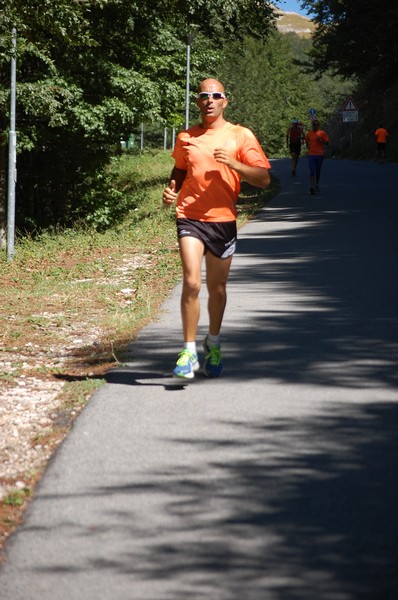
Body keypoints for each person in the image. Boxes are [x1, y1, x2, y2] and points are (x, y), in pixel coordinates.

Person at [162, 78, 271, 379]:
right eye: (203, 95)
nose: (209, 100)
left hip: (223, 220)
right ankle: (188, 351)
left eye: (215, 95)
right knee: (192, 282)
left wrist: (235, 165)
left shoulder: (240, 135)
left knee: (217, 289)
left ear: (225, 101)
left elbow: (263, 179)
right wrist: (172, 190)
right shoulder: (186, 137)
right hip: (190, 216)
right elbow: (181, 169)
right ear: (197, 102)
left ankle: (214, 342)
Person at [305, 119, 329, 195]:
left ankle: (316, 184)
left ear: (319, 125)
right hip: (311, 155)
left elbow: (327, 143)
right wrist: (308, 147)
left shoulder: (322, 133)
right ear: (312, 125)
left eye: (317, 124)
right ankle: (312, 186)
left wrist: (321, 141)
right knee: (312, 171)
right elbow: (306, 141)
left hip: (320, 155)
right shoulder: (309, 133)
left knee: (318, 171)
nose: (315, 126)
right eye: (314, 124)